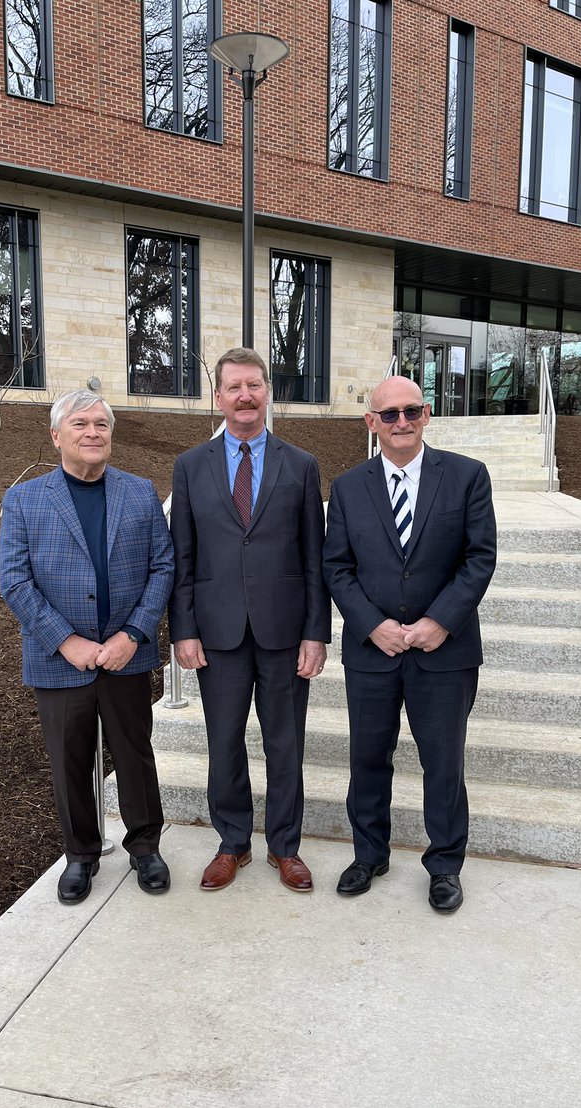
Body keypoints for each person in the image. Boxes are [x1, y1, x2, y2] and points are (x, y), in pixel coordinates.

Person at [322, 376, 497, 912]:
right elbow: (337, 566)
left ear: (426, 416)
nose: (402, 422)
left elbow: (479, 557)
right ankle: (369, 853)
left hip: (445, 652)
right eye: (390, 414)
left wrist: (440, 622)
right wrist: (372, 624)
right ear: (370, 423)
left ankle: (445, 865)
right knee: (367, 758)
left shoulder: (467, 476)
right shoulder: (350, 487)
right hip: (372, 651)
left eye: (412, 411)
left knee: (443, 762)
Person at [0, 389, 174, 904]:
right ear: (57, 436)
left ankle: (146, 847)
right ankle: (80, 855)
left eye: (101, 424)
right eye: (80, 424)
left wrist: (134, 633)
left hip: (126, 657)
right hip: (59, 662)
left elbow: (163, 567)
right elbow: (14, 581)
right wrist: (65, 640)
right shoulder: (25, 500)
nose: (93, 432)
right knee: (70, 761)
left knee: (136, 757)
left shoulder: (140, 493)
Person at [169, 347, 331, 892]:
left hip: (285, 633)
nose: (245, 395)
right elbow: (182, 556)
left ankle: (285, 847)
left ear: (268, 393)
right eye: (234, 387)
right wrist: (183, 629)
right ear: (218, 397)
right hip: (218, 634)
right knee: (225, 742)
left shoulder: (301, 464)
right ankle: (232, 842)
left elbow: (314, 557)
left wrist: (316, 631)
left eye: (254, 386)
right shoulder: (191, 466)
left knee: (286, 743)